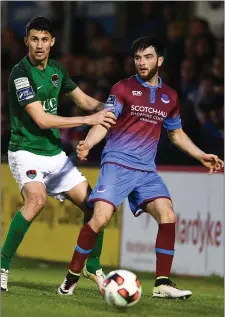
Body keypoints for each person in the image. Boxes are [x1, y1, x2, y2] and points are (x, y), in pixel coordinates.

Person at [58, 36, 224, 299]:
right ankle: (72, 276)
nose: (142, 62)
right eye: (137, 57)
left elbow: (176, 134)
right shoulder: (122, 89)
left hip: (146, 171)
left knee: (167, 214)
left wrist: (201, 155)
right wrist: (88, 143)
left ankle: (162, 283)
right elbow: (105, 121)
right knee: (99, 218)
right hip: (117, 163)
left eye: (147, 57)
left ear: (159, 60)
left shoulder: (170, 96)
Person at [1, 16, 117, 292]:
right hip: (26, 151)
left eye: (44, 39)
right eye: (34, 39)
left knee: (95, 207)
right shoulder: (21, 73)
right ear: (26, 41)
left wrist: (111, 108)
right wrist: (88, 120)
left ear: (52, 42)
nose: (39, 45)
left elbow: (85, 101)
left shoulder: (57, 69)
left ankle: (94, 267)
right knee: (36, 201)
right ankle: (2, 265)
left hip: (54, 155)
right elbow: (42, 120)